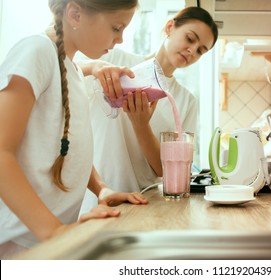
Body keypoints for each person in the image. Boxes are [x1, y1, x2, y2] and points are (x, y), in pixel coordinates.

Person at [0, 0, 148, 259]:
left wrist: (102, 188)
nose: (120, 39)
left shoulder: (74, 71)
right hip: (19, 243)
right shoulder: (36, 51)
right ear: (75, 14)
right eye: (116, 27)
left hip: (47, 243)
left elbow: (66, 147)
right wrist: (55, 231)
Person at [79, 6, 218, 212]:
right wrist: (93, 67)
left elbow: (168, 170)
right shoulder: (116, 61)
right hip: (97, 194)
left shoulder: (186, 101)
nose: (192, 50)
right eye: (190, 39)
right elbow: (66, 74)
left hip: (142, 201)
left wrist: (141, 125)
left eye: (200, 51)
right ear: (170, 27)